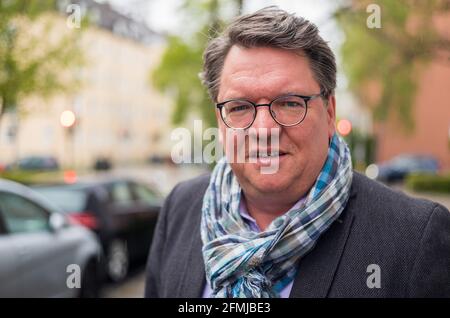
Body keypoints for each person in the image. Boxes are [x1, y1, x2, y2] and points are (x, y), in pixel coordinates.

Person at [145, 7, 450, 298]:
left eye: (289, 103)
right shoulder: (180, 208)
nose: (263, 130)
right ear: (220, 122)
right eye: (239, 107)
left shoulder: (414, 238)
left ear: (329, 113)